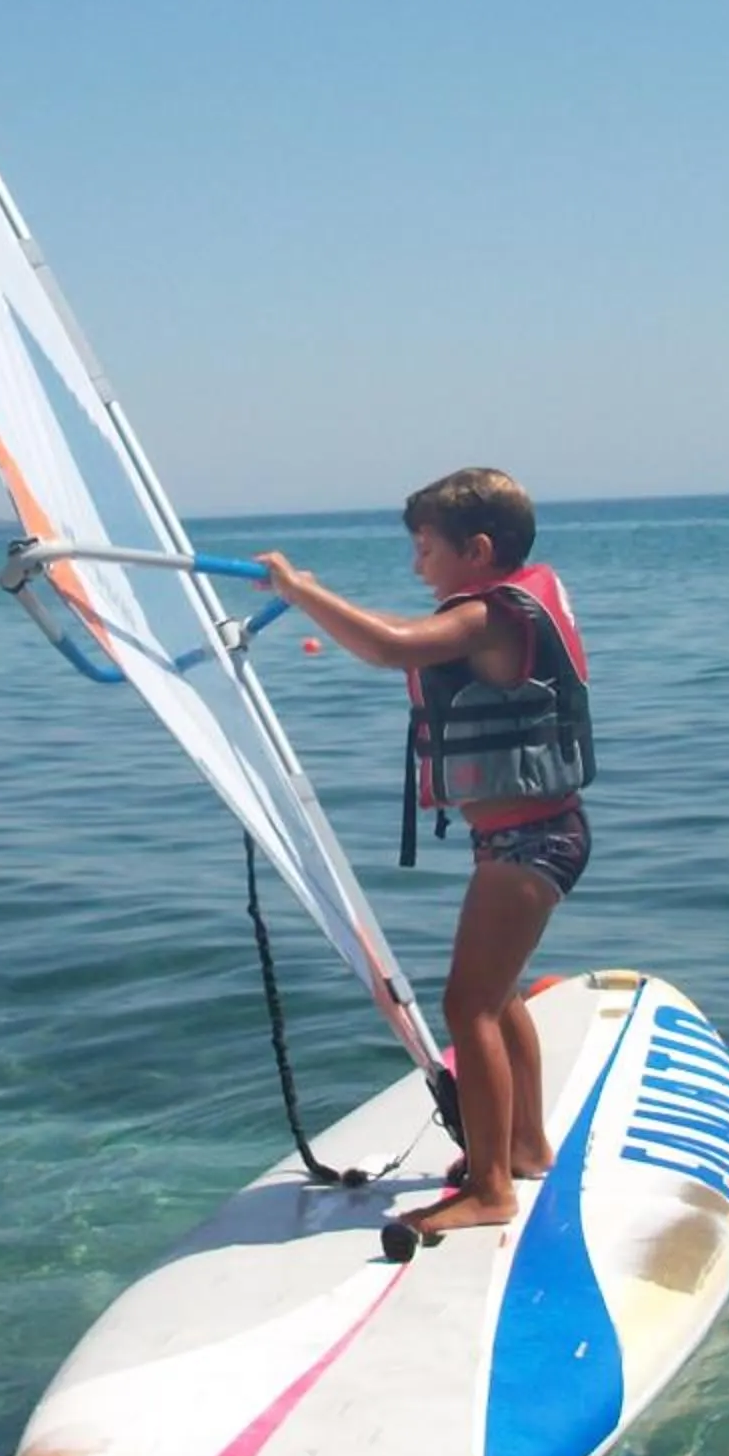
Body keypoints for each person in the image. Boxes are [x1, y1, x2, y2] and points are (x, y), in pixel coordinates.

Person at [258, 468, 594, 1237]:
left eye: (425, 550)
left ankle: (491, 1188)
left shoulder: (489, 617)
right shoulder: (493, 610)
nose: (417, 566)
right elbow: (401, 631)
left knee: (467, 1006)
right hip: (528, 835)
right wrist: (314, 595)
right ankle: (525, 1145)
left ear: (477, 551)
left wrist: (299, 592)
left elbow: (392, 646)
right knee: (498, 995)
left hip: (531, 842)